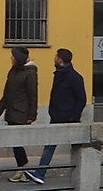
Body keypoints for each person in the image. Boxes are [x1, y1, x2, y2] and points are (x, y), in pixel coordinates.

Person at [31, 46, 86, 175]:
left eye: (55, 57)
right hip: (57, 117)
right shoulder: (59, 75)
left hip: (70, 118)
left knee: (76, 147)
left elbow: (81, 99)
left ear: (60, 60)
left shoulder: (74, 77)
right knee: (50, 146)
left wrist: (74, 116)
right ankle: (40, 173)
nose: (54, 59)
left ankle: (82, 174)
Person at [0, 46, 42, 183]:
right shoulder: (14, 71)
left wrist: (32, 115)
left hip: (21, 112)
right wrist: (0, 110)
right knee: (15, 142)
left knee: (17, 142)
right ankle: (22, 169)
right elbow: (7, 92)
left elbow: (33, 95)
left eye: (13, 56)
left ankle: (24, 168)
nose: (11, 58)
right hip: (11, 111)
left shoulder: (30, 73)